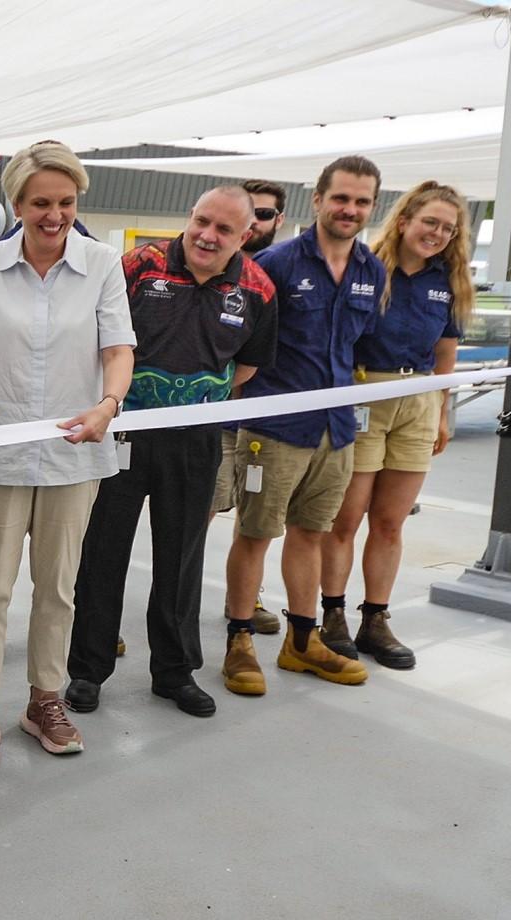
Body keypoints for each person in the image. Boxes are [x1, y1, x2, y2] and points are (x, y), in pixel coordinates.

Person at [0, 140, 135, 768]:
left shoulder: (103, 263)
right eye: (40, 203)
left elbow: (119, 348)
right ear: (16, 203)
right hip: (1, 453)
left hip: (75, 453)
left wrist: (108, 404)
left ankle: (44, 699)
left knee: (59, 587)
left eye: (66, 203)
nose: (54, 215)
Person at [63, 186, 277, 719]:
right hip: (125, 430)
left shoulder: (257, 288)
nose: (208, 235)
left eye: (224, 230)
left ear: (244, 236)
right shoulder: (137, 266)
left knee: (181, 557)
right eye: (202, 221)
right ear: (189, 216)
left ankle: (175, 672)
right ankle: (88, 670)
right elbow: (100, 341)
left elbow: (246, 367)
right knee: (103, 552)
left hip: (197, 439)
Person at [220, 156, 385, 696]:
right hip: (274, 425)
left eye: (361, 201)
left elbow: (357, 345)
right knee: (255, 533)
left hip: (335, 430)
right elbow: (242, 347)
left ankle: (300, 641)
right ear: (318, 200)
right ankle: (240, 640)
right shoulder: (275, 263)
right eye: (341, 198)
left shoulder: (370, 271)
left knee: (312, 533)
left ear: (372, 207)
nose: (350, 209)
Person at [319, 181, 473, 670]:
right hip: (365, 398)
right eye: (431, 221)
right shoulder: (364, 268)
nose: (438, 233)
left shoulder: (447, 282)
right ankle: (332, 615)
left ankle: (376, 618)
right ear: (404, 219)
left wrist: (443, 413)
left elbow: (446, 354)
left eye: (448, 228)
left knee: (389, 522)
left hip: (419, 401)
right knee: (346, 518)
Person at [211, 176, 292, 634]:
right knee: (200, 508)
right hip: (224, 416)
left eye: (264, 214)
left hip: (267, 418)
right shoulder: (216, 267)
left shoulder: (275, 273)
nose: (256, 222)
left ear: (276, 220)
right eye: (250, 212)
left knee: (256, 515)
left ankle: (246, 598)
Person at [242, 178, 289, 255]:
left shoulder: (290, 264)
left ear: (279, 220)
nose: (252, 220)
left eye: (264, 213)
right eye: (245, 212)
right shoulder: (216, 263)